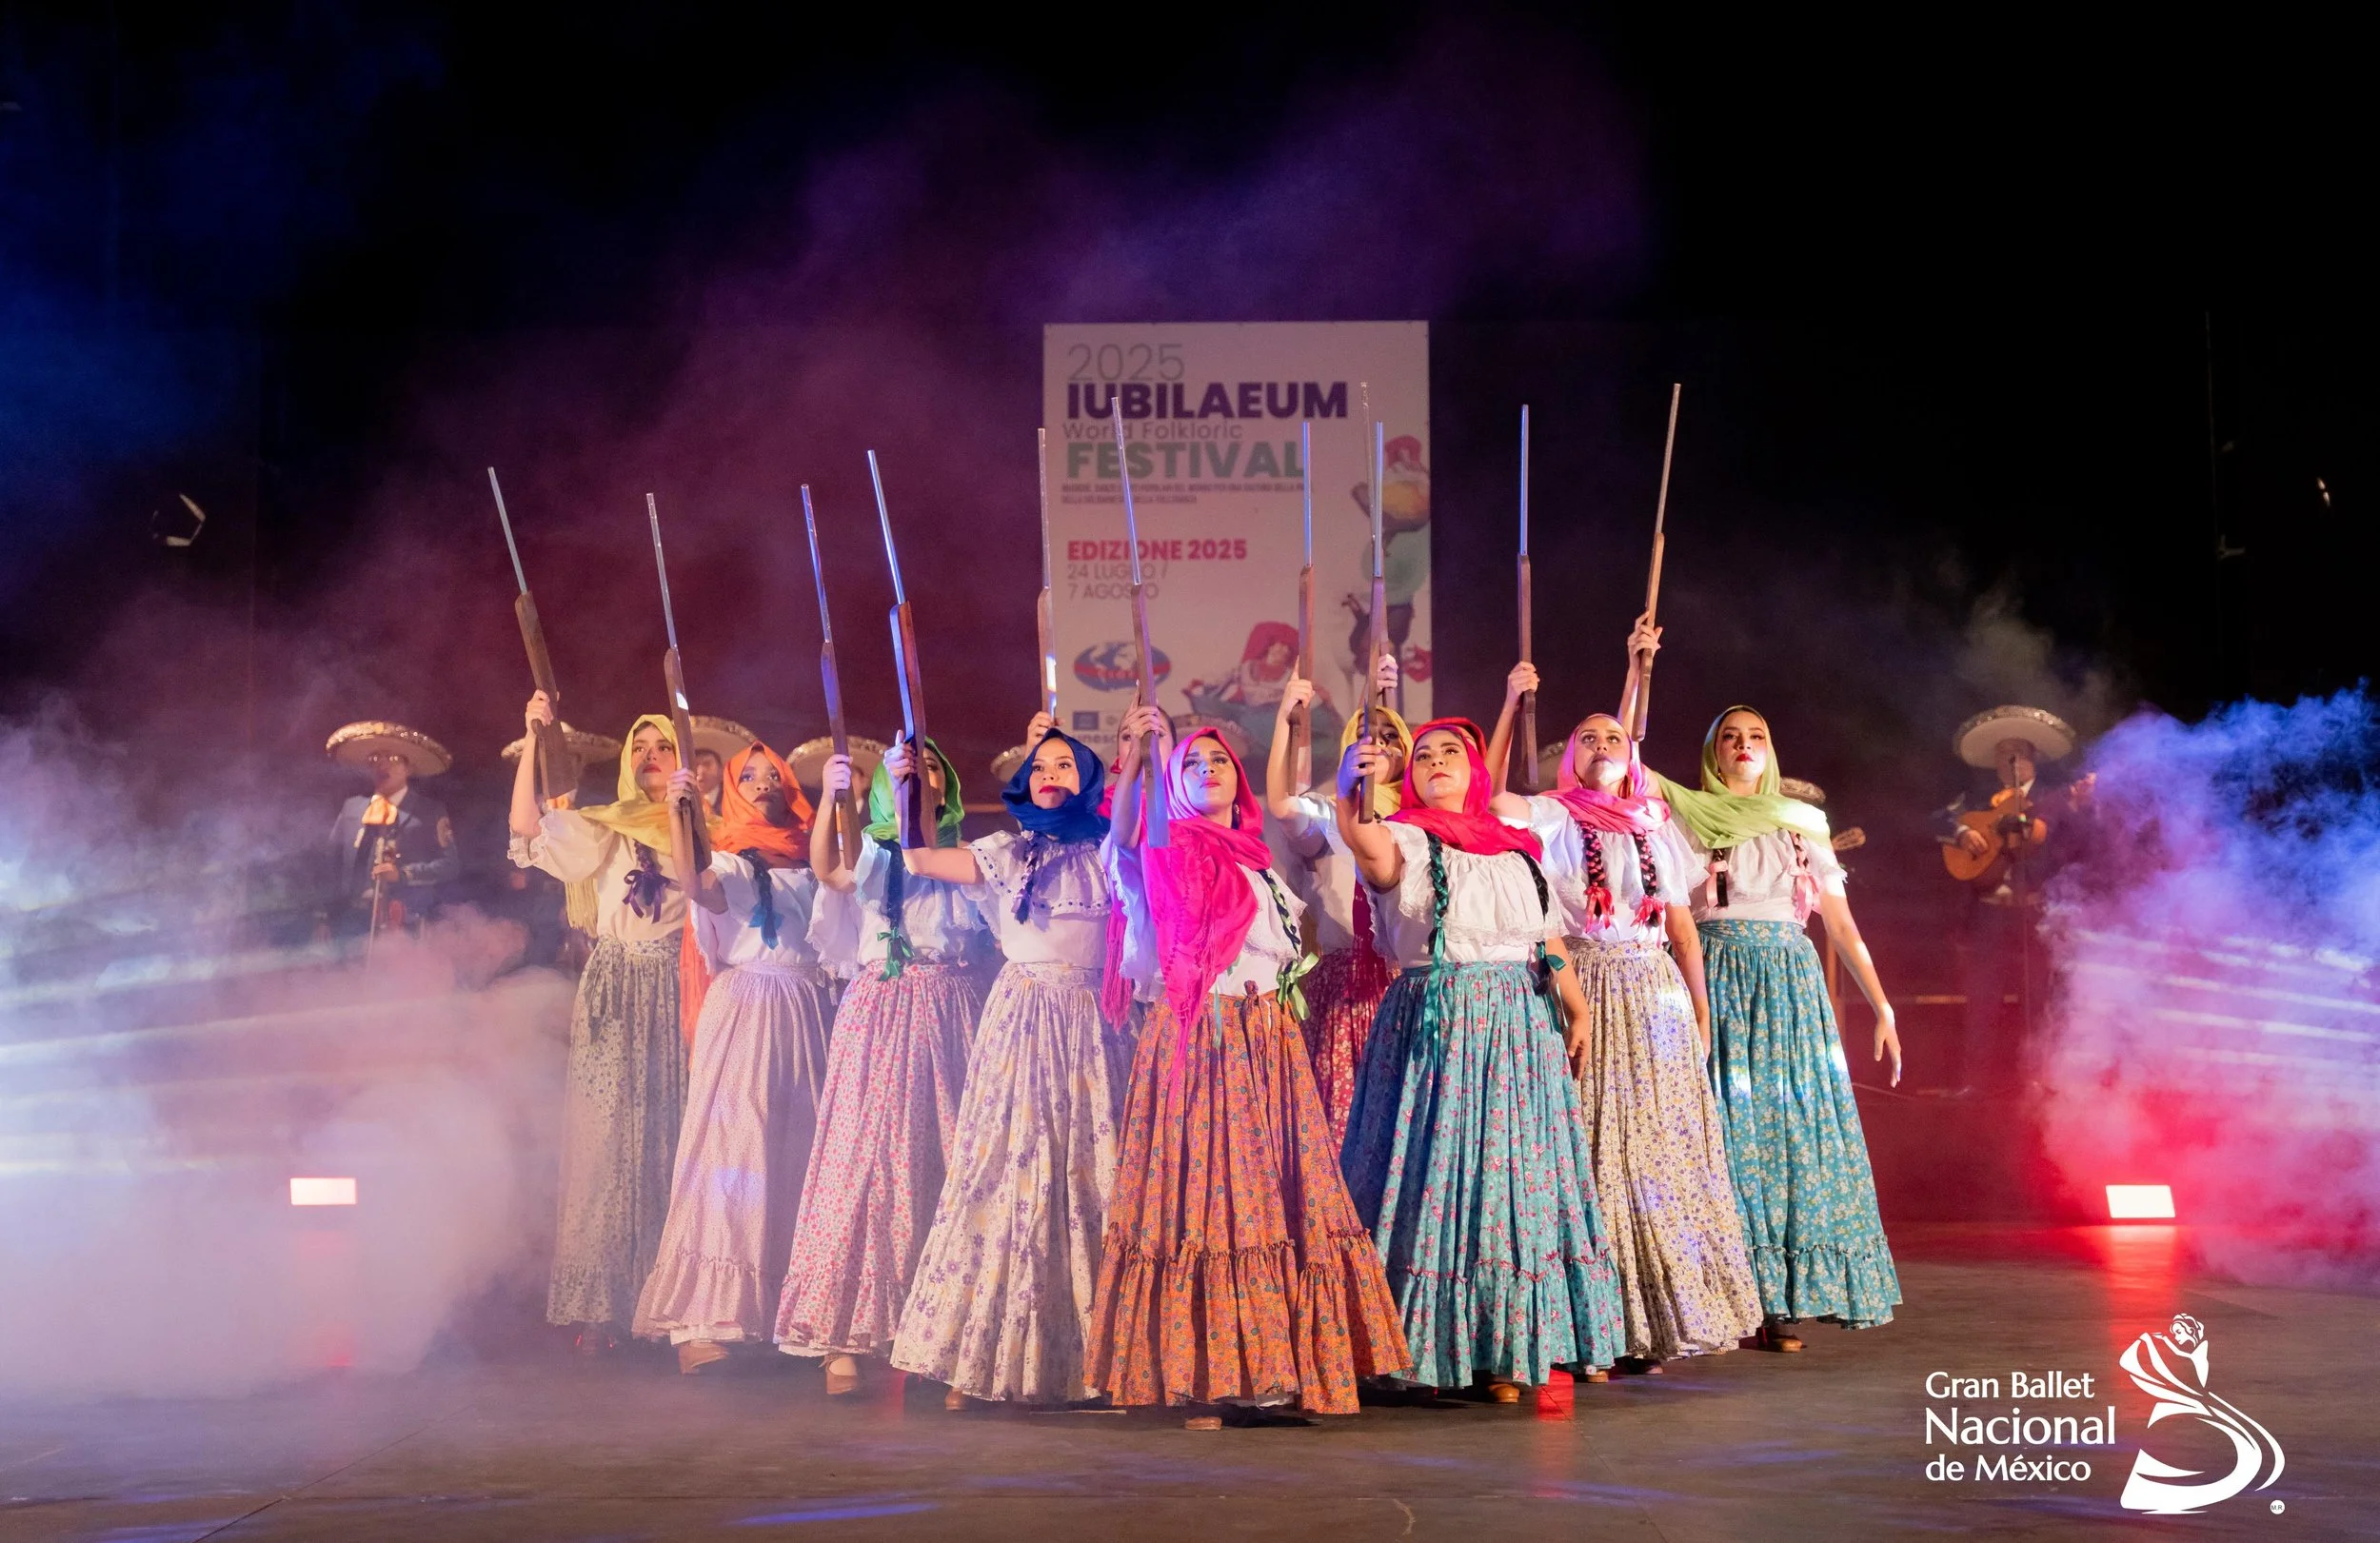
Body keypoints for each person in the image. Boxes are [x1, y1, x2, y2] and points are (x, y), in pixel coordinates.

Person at [1086, 716, 1407, 1419]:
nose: (1207, 766)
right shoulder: (1168, 850)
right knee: (1208, 1202)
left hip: (1270, 1041)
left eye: (1219, 758)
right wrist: (1144, 758)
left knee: (1280, 1203)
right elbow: (1125, 840)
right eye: (1192, 761)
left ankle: (1281, 1365)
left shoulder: (1259, 860)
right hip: (1205, 1037)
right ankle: (1205, 1373)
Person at [1492, 631, 1763, 1372]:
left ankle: (1658, 1314)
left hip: (1655, 996)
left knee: (1658, 1149)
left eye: (1613, 735)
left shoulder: (1652, 824)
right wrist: (1514, 706)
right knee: (1589, 1145)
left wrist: (1702, 1011)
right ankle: (1588, 1318)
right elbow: (1490, 803)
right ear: (1565, 756)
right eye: (1587, 737)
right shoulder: (1549, 816)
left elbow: (1681, 926)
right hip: (1581, 985)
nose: (1604, 743)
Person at [1337, 719, 1623, 1399]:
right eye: (1426, 755)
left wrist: (1574, 1004)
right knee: (1440, 1175)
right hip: (1441, 1018)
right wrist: (1356, 778)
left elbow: (1546, 936)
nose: (1438, 762)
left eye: (1452, 754)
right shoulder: (1403, 834)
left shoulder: (1518, 849)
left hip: (1520, 1025)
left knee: (1515, 1183)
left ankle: (1507, 1346)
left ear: (1474, 772)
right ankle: (1427, 1345)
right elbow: (1365, 842)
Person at [890, 717, 1126, 1409]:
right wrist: (910, 793)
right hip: (1022, 1019)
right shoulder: (1007, 851)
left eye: (1066, 766)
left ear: (1090, 782)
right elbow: (919, 859)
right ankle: (979, 1357)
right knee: (1006, 1175)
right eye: (1041, 766)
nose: (1052, 775)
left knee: (1094, 1175)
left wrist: (1140, 754)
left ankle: (1098, 1358)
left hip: (1094, 1024)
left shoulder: (1114, 851)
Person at [1655, 706, 1903, 1350]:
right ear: (1712, 752)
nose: (1743, 745)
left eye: (1756, 735)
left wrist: (1883, 1004)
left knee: (1791, 1131)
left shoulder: (1802, 824)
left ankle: (1782, 1296)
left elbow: (1839, 923)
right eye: (1730, 737)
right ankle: (1719, 1291)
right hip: (1717, 974)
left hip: (1791, 982)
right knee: (1721, 1128)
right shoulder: (1686, 813)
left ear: (1772, 749)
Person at [774, 738, 988, 1396]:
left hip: (950, 1009)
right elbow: (832, 870)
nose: (919, 776)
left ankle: (951, 1339)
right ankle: (844, 1333)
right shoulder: (872, 850)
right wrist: (835, 798)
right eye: (908, 768)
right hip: (881, 1010)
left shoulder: (966, 857)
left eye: (931, 768)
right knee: (863, 1160)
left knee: (950, 1161)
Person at [632, 742, 830, 1375]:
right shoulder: (732, 864)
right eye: (750, 774)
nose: (765, 780)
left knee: (797, 1153)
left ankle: (784, 1308)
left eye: (776, 773)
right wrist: (678, 812)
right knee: (732, 1156)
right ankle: (703, 1318)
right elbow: (693, 882)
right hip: (747, 1004)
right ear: (735, 791)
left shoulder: (814, 867)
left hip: (805, 1012)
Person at [507, 693, 699, 1351]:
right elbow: (526, 828)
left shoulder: (700, 827)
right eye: (639, 748)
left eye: (662, 747)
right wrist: (534, 737)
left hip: (675, 984)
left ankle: (665, 1298)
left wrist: (685, 806)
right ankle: (603, 1304)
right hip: (616, 983)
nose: (649, 757)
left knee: (669, 1135)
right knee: (607, 1139)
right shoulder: (607, 827)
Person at [1261, 654, 1407, 1150]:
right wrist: (1286, 716)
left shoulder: (1421, 818)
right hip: (1344, 986)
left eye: (1391, 739)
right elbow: (1282, 804)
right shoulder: (1329, 812)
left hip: (1409, 985)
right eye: (1367, 736)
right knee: (1341, 1125)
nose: (1379, 746)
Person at [1934, 706, 2092, 1093]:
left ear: (2033, 756)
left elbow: (2081, 844)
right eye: (2005, 754)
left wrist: (2081, 807)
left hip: (2034, 915)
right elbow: (1937, 819)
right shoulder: (1977, 798)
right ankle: (1975, 1084)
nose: (2013, 761)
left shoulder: (2056, 800)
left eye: (2019, 752)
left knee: (2038, 1001)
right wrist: (1960, 834)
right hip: (1987, 916)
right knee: (1981, 1001)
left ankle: (2038, 1082)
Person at [325, 722, 459, 941]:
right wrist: (324, 916)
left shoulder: (428, 811)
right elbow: (332, 864)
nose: (382, 765)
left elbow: (450, 865)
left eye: (393, 759)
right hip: (351, 922)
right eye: (376, 759)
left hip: (404, 921)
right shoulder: (352, 808)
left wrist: (404, 874)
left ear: (408, 768)